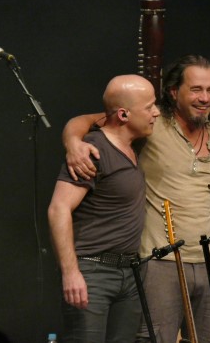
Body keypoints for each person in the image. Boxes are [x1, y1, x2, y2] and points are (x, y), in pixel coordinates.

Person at [62, 55, 210, 343]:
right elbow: (90, 120)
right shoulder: (152, 125)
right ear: (175, 91)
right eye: (196, 89)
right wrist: (72, 143)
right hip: (160, 260)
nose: (205, 98)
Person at [48, 74, 160, 343]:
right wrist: (71, 273)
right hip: (93, 273)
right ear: (123, 114)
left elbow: (88, 118)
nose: (156, 112)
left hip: (129, 273)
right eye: (149, 107)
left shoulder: (133, 144)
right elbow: (58, 209)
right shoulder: (94, 151)